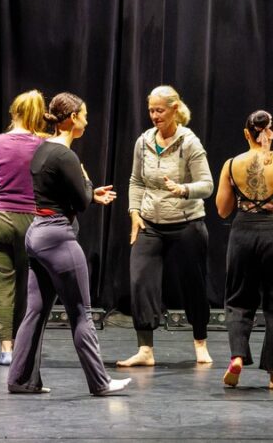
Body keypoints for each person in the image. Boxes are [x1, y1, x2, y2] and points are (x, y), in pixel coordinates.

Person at [7, 93, 130, 396]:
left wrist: (89, 193)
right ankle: (100, 382)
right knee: (81, 313)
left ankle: (20, 380)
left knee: (35, 311)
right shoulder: (66, 156)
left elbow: (62, 194)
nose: (87, 121)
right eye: (84, 115)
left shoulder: (43, 149)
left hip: (37, 233)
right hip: (57, 237)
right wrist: (87, 184)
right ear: (73, 117)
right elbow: (82, 201)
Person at [118, 86, 215, 367]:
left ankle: (200, 341)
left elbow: (207, 185)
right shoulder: (143, 141)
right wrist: (134, 212)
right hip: (150, 223)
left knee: (193, 284)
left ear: (175, 109)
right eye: (151, 110)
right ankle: (145, 349)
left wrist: (183, 189)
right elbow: (136, 181)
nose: (154, 115)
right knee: (140, 281)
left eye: (160, 110)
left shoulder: (189, 143)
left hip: (186, 223)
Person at [215, 110, 273, 389]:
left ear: (247, 133)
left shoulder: (231, 164)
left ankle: (237, 356)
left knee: (238, 299)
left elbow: (223, 210)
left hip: (243, 234)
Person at [0, 90, 49, 366]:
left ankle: (6, 349)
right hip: (31, 221)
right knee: (27, 285)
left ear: (14, 113)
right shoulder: (46, 145)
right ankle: (23, 346)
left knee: (0, 284)